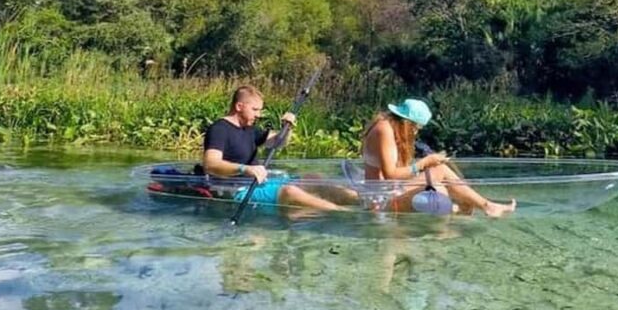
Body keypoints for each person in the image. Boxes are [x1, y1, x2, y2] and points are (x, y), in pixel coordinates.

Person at [361, 98, 516, 217]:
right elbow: (390, 175)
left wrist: (427, 166)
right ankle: (482, 206)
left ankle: (478, 205)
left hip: (388, 192)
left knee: (440, 177)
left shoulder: (388, 126)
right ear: (407, 123)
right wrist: (423, 164)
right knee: (438, 178)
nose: (415, 133)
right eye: (415, 128)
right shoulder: (384, 130)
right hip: (380, 200)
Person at [203, 85, 347, 212]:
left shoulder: (249, 128)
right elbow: (211, 164)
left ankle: (361, 200)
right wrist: (245, 169)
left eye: (259, 110)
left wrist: (287, 127)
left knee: (314, 178)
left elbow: (278, 142)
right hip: (237, 190)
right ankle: (344, 214)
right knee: (290, 192)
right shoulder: (219, 129)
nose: (258, 115)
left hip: (259, 182)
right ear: (239, 106)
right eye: (254, 110)